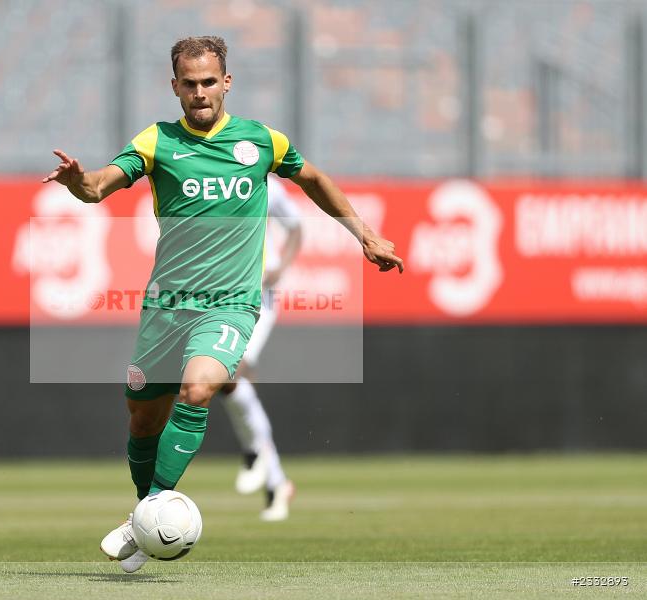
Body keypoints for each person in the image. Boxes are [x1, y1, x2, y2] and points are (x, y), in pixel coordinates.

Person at [43, 36, 403, 574]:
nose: (200, 92)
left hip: (231, 304)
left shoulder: (261, 141)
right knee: (142, 422)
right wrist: (78, 183)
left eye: (209, 81)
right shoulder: (156, 142)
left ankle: (142, 519)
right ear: (174, 88)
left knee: (200, 387)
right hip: (166, 307)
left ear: (226, 82)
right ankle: (147, 516)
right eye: (189, 84)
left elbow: (316, 180)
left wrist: (365, 236)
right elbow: (98, 188)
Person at [219, 175, 301, 522]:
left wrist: (281, 267)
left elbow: (295, 227)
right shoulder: (207, 176)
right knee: (223, 381)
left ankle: (258, 454)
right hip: (219, 291)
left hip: (258, 293)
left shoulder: (266, 183)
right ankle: (275, 480)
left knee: (231, 371)